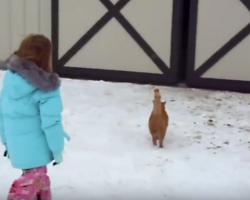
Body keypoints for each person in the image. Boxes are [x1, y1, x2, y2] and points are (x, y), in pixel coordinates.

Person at [0, 34, 70, 200]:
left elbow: (2, 114)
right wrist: (57, 150)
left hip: (16, 146)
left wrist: (6, 143)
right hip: (37, 149)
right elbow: (51, 123)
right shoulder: (47, 87)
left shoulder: (11, 79)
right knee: (34, 182)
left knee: (37, 182)